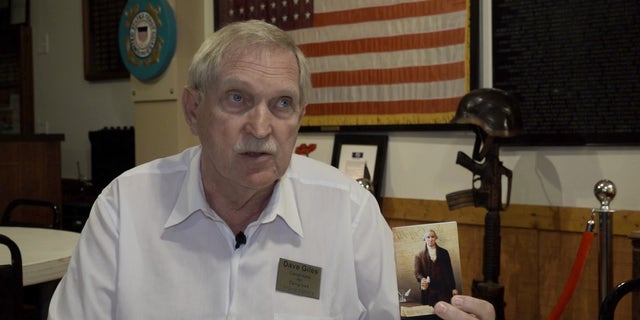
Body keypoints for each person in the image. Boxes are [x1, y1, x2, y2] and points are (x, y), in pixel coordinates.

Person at [48, 19, 495, 320]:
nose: (261, 127)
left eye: (282, 104)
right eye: (237, 98)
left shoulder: (350, 213)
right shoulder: (125, 206)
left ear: (299, 117)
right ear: (193, 110)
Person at [415, 229, 459, 306]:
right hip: (429, 290)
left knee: (446, 310)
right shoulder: (419, 255)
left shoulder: (444, 252)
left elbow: (449, 271)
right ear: (424, 239)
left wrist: (453, 288)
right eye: (428, 237)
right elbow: (417, 273)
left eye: (432, 237)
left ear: (436, 238)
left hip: (444, 289)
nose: (430, 239)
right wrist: (422, 279)